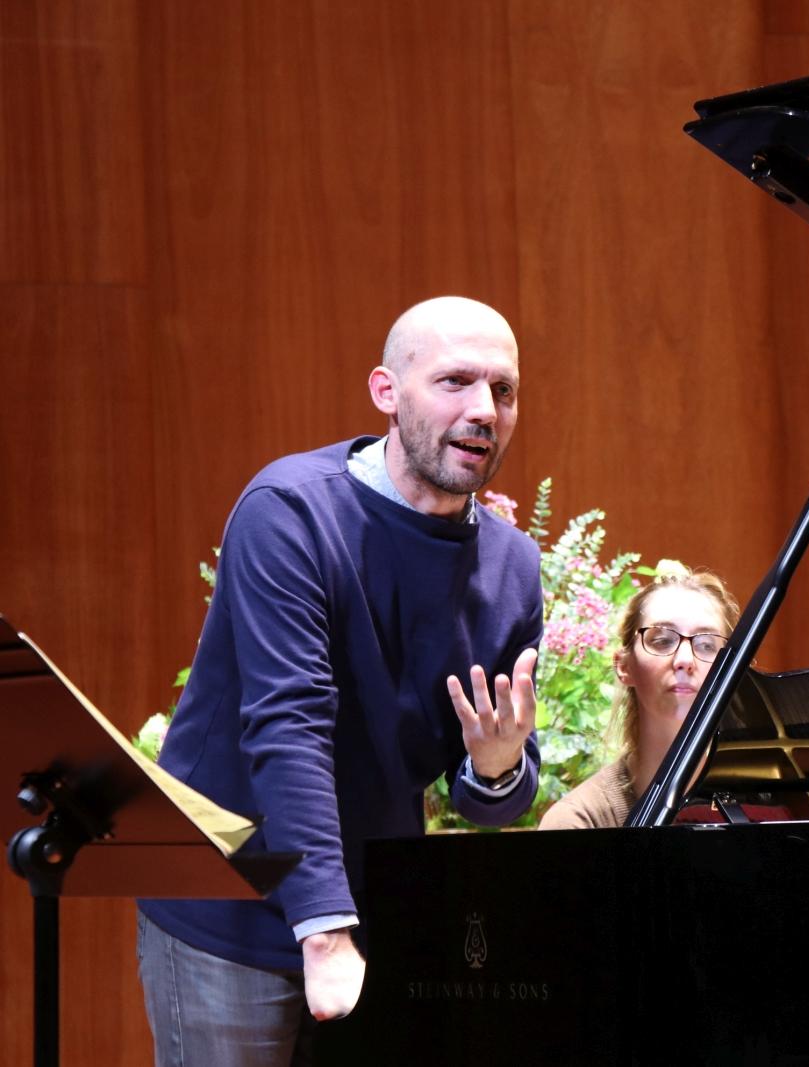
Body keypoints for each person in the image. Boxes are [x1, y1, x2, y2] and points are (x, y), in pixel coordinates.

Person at [136, 296, 544, 1066]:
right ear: (386, 391)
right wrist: (323, 929)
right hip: (232, 906)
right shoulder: (290, 511)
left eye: (504, 390)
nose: (484, 409)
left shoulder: (513, 568)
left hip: (371, 912)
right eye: (455, 381)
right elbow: (288, 726)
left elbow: (488, 797)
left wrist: (495, 767)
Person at [539, 568, 740, 829]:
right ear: (624, 666)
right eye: (663, 641)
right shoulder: (579, 820)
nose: (685, 660)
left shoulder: (771, 803)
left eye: (706, 645)